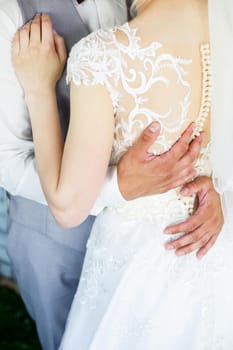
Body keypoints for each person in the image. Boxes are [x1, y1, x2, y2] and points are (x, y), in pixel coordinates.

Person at [0, 0, 224, 348]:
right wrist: (117, 185)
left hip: (165, 240)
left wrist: (215, 186)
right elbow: (8, 160)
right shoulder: (7, 13)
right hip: (54, 240)